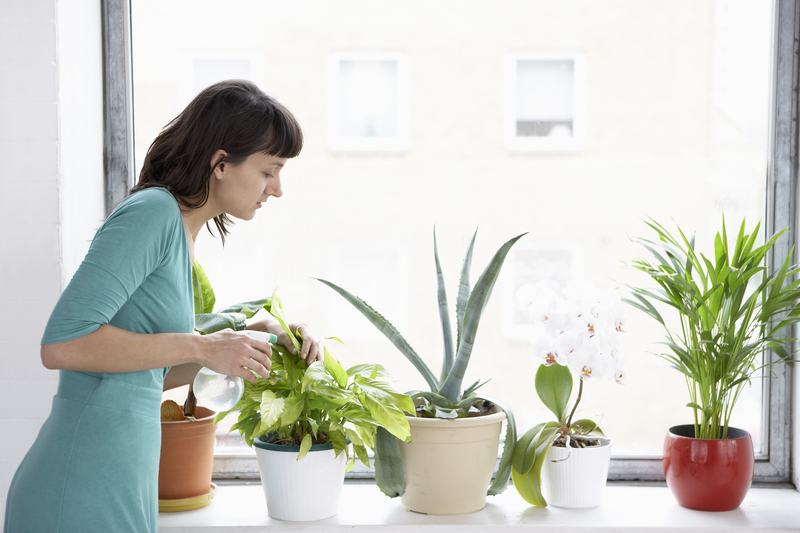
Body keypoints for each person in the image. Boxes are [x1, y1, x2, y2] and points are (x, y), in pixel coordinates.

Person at [4, 80, 320, 532]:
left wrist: (256, 341)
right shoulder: (152, 212)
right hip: (79, 484)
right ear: (221, 163)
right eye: (270, 170)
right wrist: (202, 347)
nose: (277, 188)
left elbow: (147, 372)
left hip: (120, 477)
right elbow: (63, 344)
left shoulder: (182, 234)